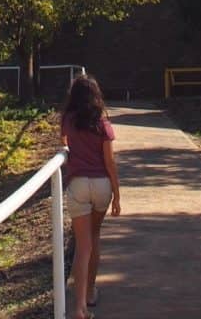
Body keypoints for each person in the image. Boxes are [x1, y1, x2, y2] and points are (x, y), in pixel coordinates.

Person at [61, 74, 120, 319]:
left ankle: (79, 308)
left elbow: (64, 146)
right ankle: (91, 292)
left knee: (82, 246)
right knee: (95, 238)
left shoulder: (67, 121)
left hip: (78, 186)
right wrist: (117, 194)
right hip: (102, 186)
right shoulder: (102, 123)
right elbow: (110, 162)